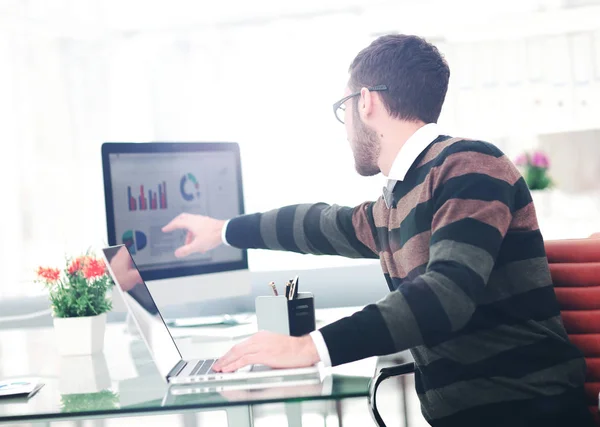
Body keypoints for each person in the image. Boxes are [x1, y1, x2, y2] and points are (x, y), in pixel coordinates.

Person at [161, 34, 593, 427]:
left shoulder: (470, 165)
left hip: (528, 414)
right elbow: (317, 224)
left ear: (364, 101)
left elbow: (446, 296)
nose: (346, 127)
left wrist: (312, 347)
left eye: (342, 111)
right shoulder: (395, 202)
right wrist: (224, 231)